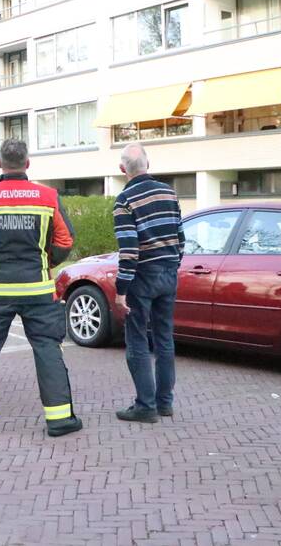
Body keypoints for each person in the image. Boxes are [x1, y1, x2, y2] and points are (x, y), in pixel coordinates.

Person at [0, 139, 82, 437]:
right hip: (38, 290)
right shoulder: (48, 196)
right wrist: (46, 260)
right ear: (27, 163)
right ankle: (59, 420)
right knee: (47, 349)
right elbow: (65, 240)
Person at [112, 143, 184, 423]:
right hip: (168, 273)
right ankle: (165, 403)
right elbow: (180, 237)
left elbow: (129, 250)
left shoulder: (125, 200)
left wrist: (121, 290)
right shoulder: (169, 193)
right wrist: (173, 265)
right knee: (165, 338)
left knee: (137, 339)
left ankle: (145, 406)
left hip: (142, 277)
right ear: (148, 164)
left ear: (123, 169)